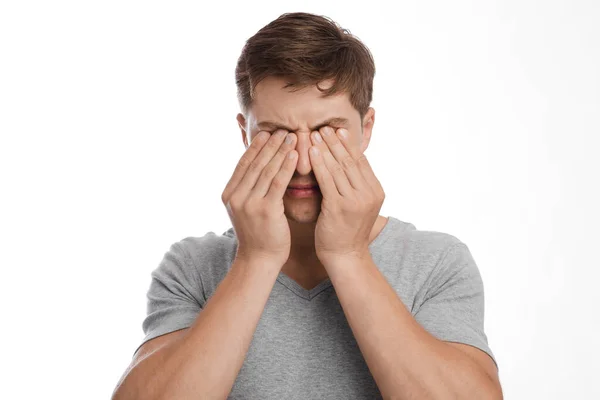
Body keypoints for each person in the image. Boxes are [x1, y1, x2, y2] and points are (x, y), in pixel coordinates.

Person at [112, 12, 502, 400]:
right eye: (277, 134)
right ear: (244, 133)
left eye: (326, 132)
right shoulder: (193, 266)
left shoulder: (436, 262)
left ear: (366, 129)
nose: (301, 164)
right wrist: (256, 259)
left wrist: (348, 256)